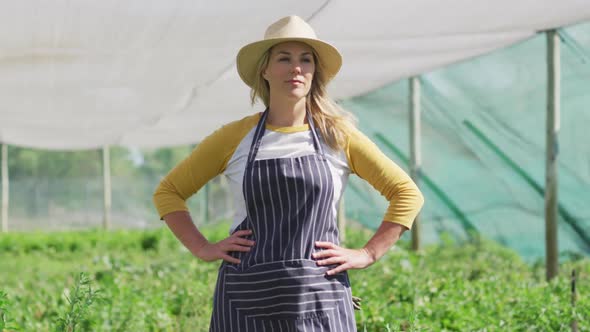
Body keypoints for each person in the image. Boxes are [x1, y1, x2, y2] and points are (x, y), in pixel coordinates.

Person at [153, 15, 424, 332]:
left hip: (320, 296)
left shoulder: (337, 136)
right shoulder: (234, 137)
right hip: (246, 298)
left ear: (313, 72)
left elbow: (407, 194)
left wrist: (368, 253)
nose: (296, 68)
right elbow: (168, 192)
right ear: (265, 70)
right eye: (284, 58)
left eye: (305, 60)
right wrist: (202, 247)